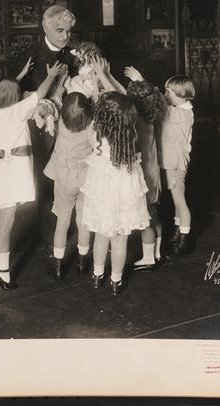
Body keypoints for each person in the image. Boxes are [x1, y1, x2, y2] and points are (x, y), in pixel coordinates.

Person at [0, 59, 65, 291]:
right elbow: (40, 94)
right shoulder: (18, 110)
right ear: (16, 97)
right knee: (7, 222)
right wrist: (52, 75)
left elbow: (4, 92)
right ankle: (2, 273)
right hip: (11, 172)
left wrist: (20, 75)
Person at [16, 5, 78, 256]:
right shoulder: (29, 56)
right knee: (45, 181)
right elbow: (13, 93)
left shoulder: (72, 55)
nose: (65, 36)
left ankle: (68, 231)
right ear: (45, 27)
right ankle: (50, 239)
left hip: (71, 127)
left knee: (69, 178)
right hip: (41, 130)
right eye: (60, 30)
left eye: (69, 31)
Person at [80, 90, 150, 296]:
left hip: (101, 186)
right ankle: (116, 281)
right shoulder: (131, 134)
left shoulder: (95, 131)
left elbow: (94, 133)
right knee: (120, 239)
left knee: (101, 233)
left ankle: (97, 275)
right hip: (125, 186)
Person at [126, 68, 196, 258]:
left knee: (180, 202)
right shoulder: (179, 109)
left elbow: (160, 104)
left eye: (169, 92)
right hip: (170, 161)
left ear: (181, 94)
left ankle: (185, 239)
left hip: (175, 164)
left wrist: (143, 81)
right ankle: (178, 232)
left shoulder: (183, 114)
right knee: (176, 201)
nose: (165, 95)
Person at [44, 92, 93, 280]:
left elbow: (51, 104)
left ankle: (58, 264)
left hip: (64, 177)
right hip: (86, 177)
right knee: (83, 219)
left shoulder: (60, 124)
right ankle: (82, 260)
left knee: (63, 218)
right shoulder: (92, 126)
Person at [124, 69, 164, 271]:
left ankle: (148, 258)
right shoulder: (154, 115)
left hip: (144, 175)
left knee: (145, 217)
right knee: (153, 213)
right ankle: (157, 252)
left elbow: (120, 96)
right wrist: (142, 80)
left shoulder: (135, 122)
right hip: (154, 172)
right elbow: (156, 96)